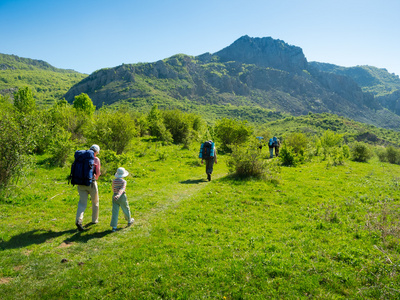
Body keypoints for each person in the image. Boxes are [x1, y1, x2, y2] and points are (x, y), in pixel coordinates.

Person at [75, 144, 101, 231]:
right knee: (95, 202)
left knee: (82, 203)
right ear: (96, 152)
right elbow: (97, 173)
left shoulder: (81, 158)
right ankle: (94, 220)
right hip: (91, 183)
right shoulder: (96, 159)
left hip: (80, 182)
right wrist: (95, 179)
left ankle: (78, 220)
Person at [110, 167, 134, 232]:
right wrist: (119, 195)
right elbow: (122, 189)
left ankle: (114, 227)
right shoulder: (124, 181)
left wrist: (116, 194)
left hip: (114, 196)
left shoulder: (114, 181)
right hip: (122, 196)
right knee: (126, 208)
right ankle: (129, 221)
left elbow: (113, 188)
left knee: (115, 211)